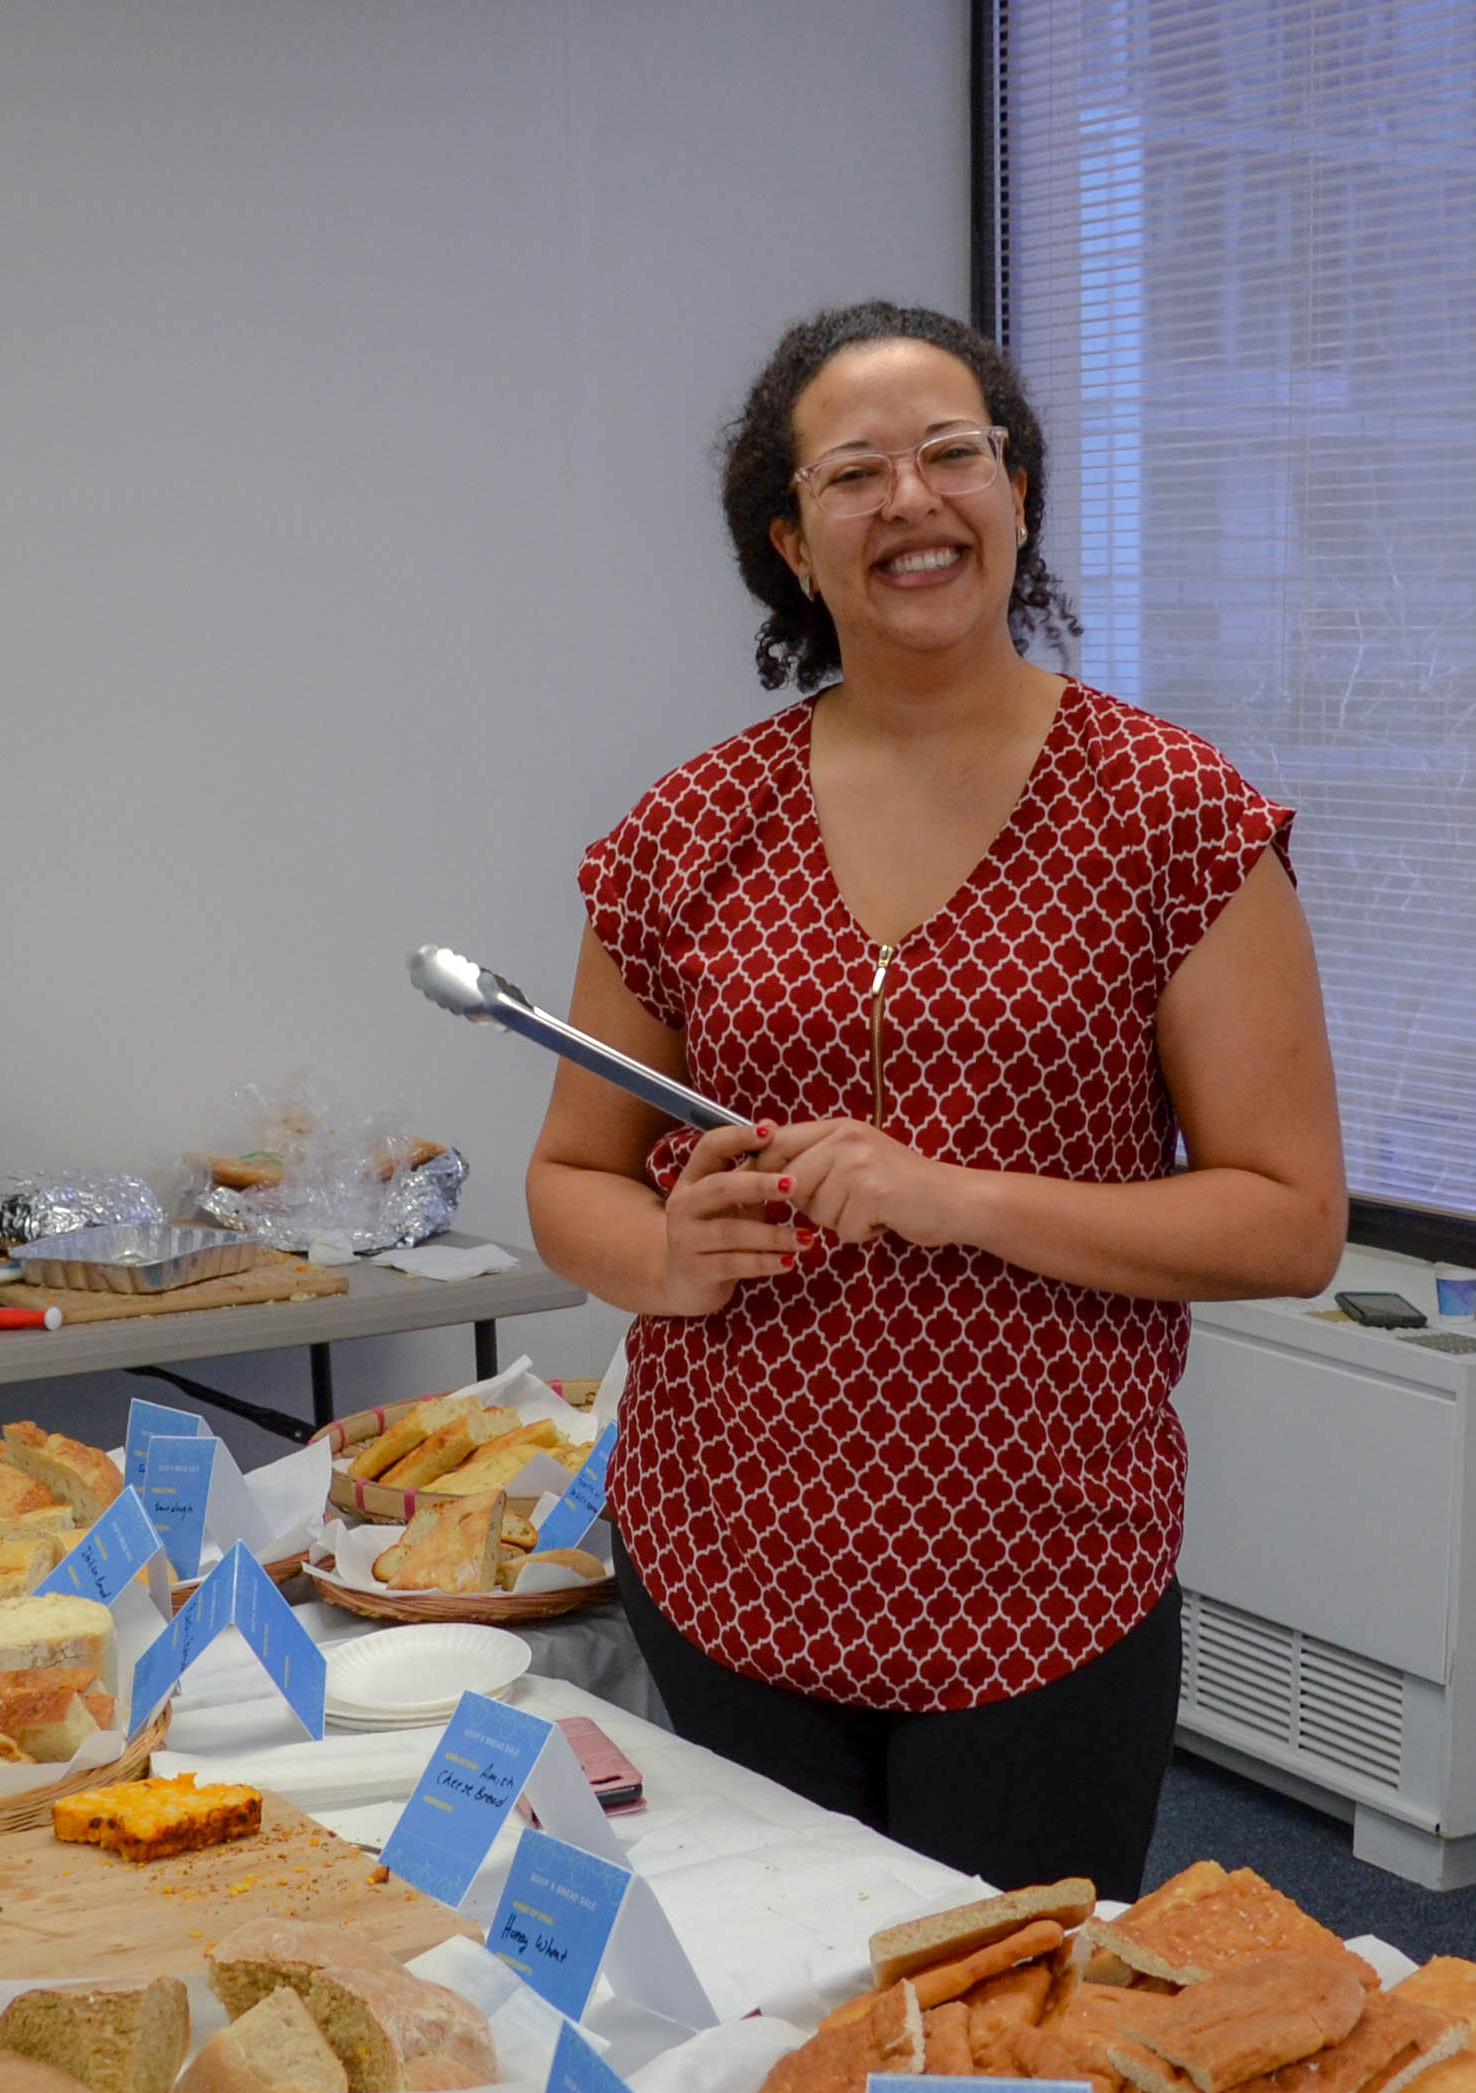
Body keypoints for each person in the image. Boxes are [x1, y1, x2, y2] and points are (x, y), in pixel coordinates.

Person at [528, 299, 1344, 1896]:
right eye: (852, 473)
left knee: (995, 2055)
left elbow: (1289, 1218)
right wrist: (662, 1257)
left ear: (1017, 494)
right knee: (761, 2033)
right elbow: (572, 1172)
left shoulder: (1172, 817)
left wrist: (949, 1194)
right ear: (789, 537)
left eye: (951, 453)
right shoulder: (684, 830)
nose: (910, 498)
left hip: (1044, 1576)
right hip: (725, 1557)